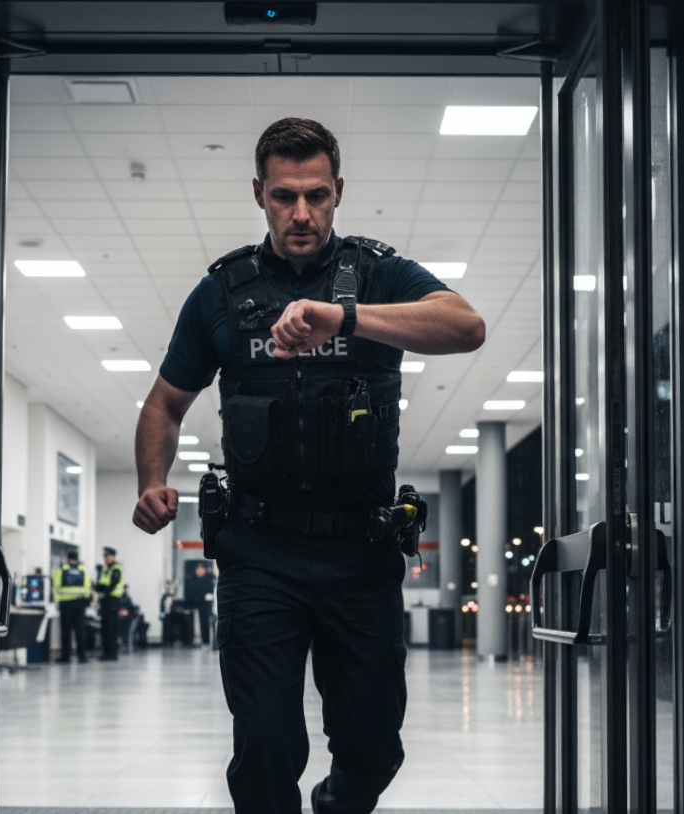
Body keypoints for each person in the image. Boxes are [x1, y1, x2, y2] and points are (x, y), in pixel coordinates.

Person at [132, 118, 485, 814]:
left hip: (362, 550)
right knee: (263, 747)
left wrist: (346, 318)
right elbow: (163, 406)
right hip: (261, 551)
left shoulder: (378, 274)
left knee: (374, 745)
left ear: (339, 191)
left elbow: (465, 325)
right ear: (259, 193)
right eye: (285, 196)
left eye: (317, 195)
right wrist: (151, 482)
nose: (302, 213)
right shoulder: (223, 295)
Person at [53, 550, 90, 663]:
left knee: (66, 631)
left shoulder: (62, 570)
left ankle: (66, 656)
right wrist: (86, 600)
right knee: (80, 630)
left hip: (66, 604)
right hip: (80, 603)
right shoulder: (83, 570)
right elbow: (87, 585)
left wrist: (57, 602)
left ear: (67, 559)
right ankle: (82, 656)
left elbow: (56, 586)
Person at [94, 547, 124, 661]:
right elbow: (98, 586)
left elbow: (111, 586)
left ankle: (112, 653)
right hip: (105, 602)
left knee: (111, 629)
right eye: (105, 557)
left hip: (112, 601)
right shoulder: (106, 570)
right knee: (105, 628)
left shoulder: (116, 569)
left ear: (113, 557)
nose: (106, 559)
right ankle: (106, 652)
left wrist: (102, 589)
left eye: (108, 557)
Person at [184, 561, 215, 646]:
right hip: (195, 603)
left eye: (201, 569)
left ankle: (207, 640)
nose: (199, 571)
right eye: (198, 569)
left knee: (206, 622)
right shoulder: (193, 579)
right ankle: (195, 639)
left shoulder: (209, 579)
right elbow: (190, 591)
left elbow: (211, 591)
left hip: (206, 604)